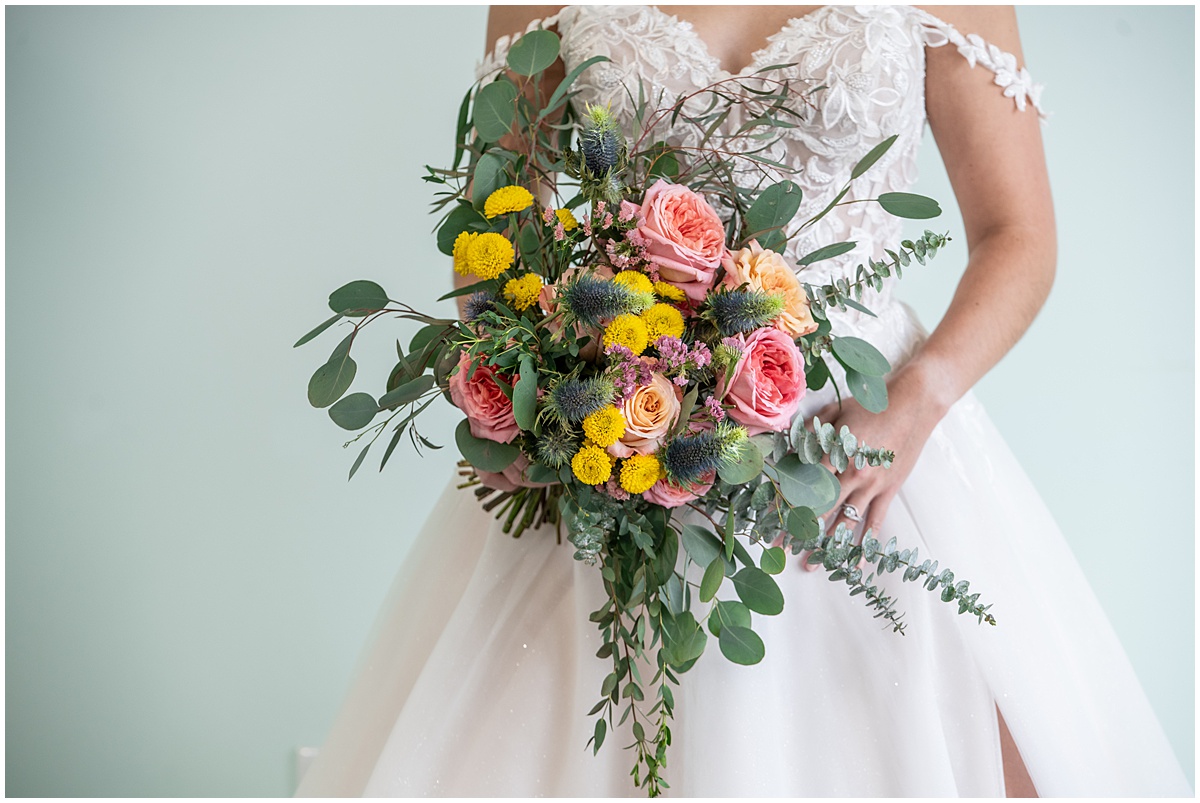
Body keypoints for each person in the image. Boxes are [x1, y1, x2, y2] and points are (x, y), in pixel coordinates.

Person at [296, 6, 1191, 796]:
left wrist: (918, 400)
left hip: (859, 436)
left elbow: (1019, 233)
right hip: (617, 417)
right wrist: (533, 387)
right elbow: (496, 222)